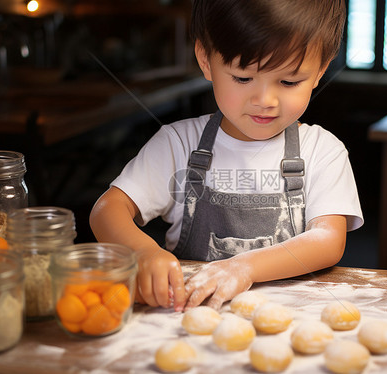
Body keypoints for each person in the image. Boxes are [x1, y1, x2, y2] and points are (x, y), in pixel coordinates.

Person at [90, 0, 363, 312]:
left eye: (289, 81)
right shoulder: (179, 143)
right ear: (206, 60)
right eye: (243, 78)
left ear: (321, 71)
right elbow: (106, 209)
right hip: (188, 320)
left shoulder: (322, 150)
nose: (265, 100)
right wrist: (141, 251)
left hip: (287, 321)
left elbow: (328, 241)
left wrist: (243, 267)